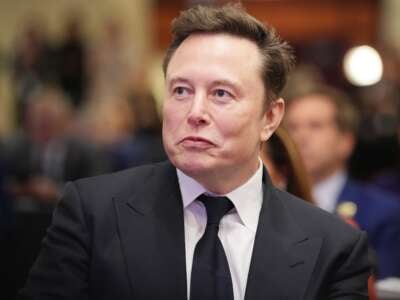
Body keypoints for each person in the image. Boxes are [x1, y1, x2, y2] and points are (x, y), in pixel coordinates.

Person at [19, 4, 371, 299]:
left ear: (270, 117)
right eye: (181, 91)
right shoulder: (92, 213)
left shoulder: (334, 247)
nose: (195, 112)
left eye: (221, 94)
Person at [285, 84, 400, 280]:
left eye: (315, 126)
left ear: (346, 142)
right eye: (292, 127)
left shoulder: (383, 213)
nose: (300, 137)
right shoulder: (269, 205)